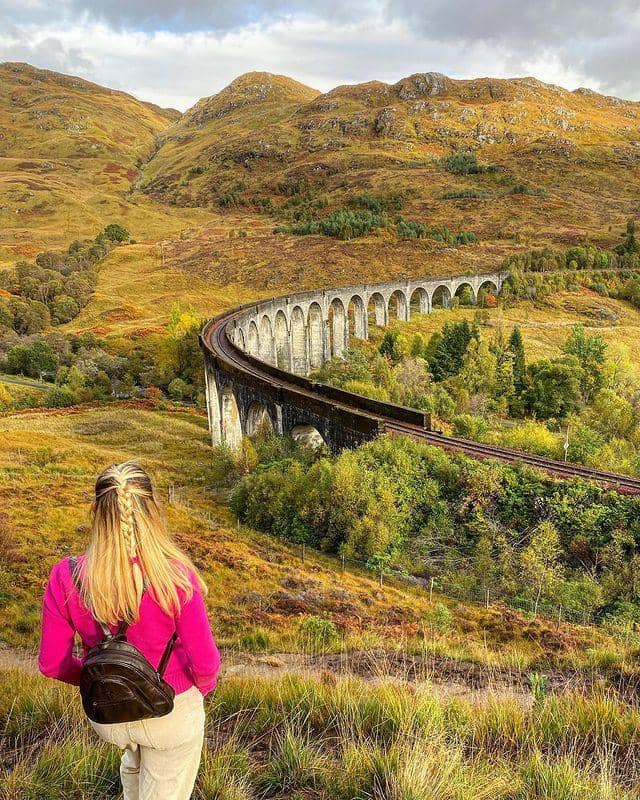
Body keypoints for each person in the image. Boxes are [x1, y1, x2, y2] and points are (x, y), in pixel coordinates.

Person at [39, 460, 221, 800]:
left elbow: (52, 663)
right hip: (170, 707)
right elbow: (207, 664)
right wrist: (196, 694)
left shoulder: (66, 576)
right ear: (151, 511)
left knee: (133, 773)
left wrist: (111, 680)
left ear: (96, 512)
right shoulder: (176, 578)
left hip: (109, 714)